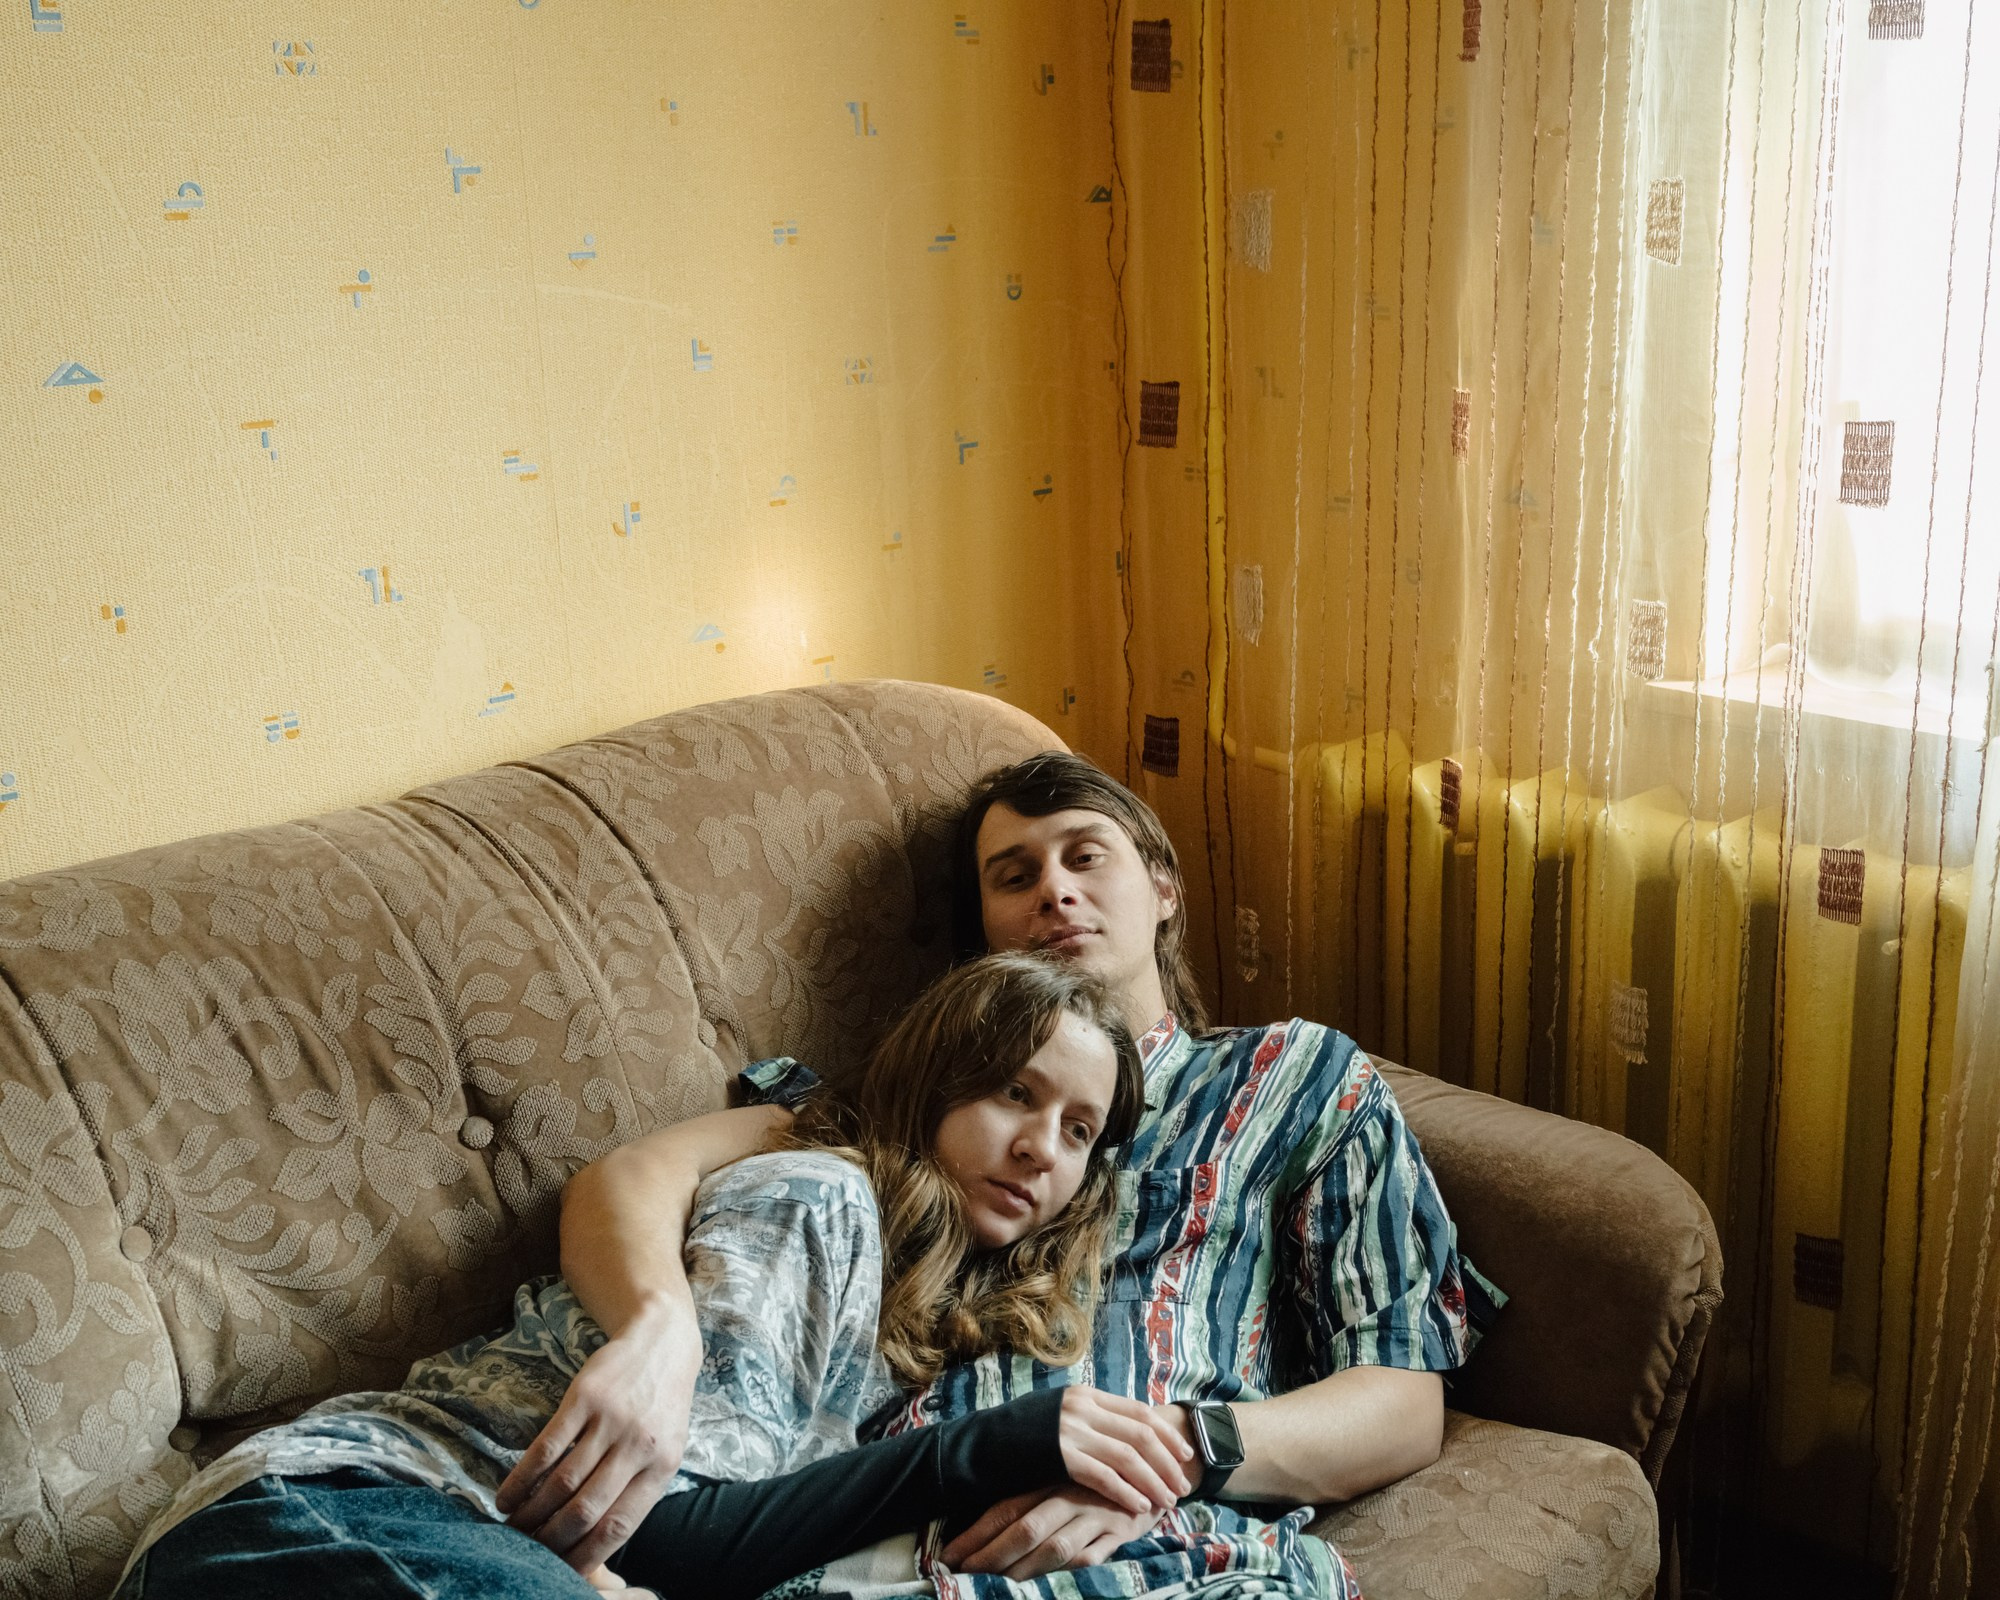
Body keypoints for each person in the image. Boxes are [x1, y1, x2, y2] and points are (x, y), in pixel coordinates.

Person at [526, 751, 1506, 1599]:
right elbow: (630, 1177)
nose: (1053, 890)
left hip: (1156, 1539)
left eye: (1086, 854)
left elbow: (1402, 1398)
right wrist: (658, 1331)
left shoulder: (1294, 1078)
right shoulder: (917, 1096)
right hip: (879, 1532)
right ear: (984, 938)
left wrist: (1157, 1454)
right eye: (1012, 874)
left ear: (1161, 884)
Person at [112, 953, 1195, 1600]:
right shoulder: (820, 1199)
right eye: (1014, 1091)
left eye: (1079, 1129)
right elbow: (671, 1533)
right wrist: (994, 1445)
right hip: (349, 1510)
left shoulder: (910, 1308)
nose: (1041, 1147)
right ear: (932, 1082)